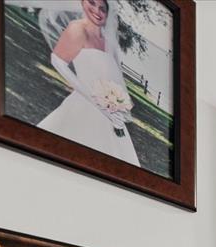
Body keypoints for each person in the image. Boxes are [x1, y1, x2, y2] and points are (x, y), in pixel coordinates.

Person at [36, 0, 141, 166]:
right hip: (83, 104)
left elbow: (114, 78)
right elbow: (57, 60)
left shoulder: (108, 41)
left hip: (109, 112)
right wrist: (92, 97)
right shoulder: (77, 29)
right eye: (92, 3)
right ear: (83, 3)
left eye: (102, 9)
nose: (97, 11)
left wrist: (118, 105)